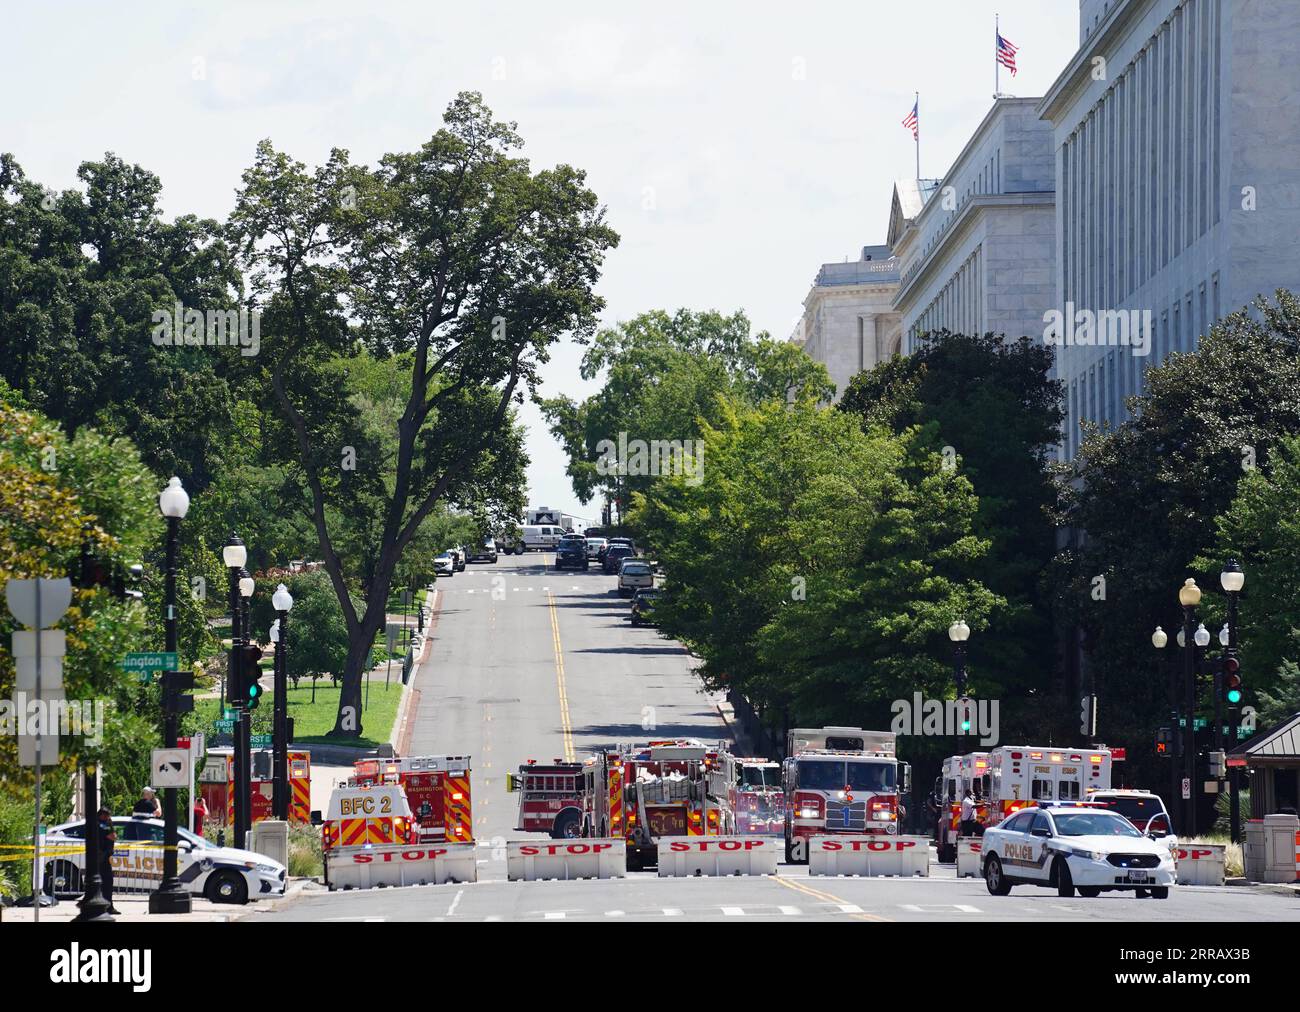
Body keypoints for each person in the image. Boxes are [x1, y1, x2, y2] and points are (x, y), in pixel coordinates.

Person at [96, 807, 120, 916]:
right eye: (107, 816)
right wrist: (110, 825)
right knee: (105, 883)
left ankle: (108, 906)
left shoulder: (103, 824)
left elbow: (114, 836)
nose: (108, 818)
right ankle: (106, 906)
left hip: (104, 857)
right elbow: (113, 836)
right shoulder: (101, 825)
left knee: (107, 883)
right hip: (102, 857)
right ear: (102, 815)